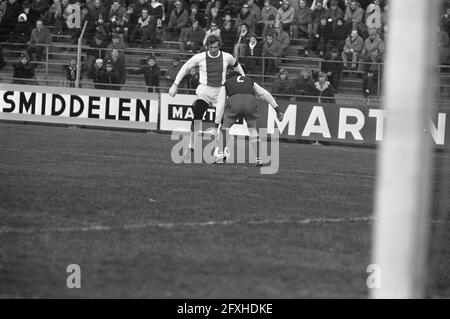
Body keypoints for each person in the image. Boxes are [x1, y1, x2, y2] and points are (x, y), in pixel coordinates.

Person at [168, 35, 245, 158]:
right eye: (211, 47)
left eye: (216, 47)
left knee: (224, 121)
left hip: (220, 91)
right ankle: (191, 146)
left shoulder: (226, 57)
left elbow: (236, 65)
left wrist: (243, 79)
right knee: (197, 115)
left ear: (219, 46)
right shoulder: (200, 57)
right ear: (207, 46)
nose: (214, 49)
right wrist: (175, 85)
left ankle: (221, 149)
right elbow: (185, 67)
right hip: (204, 90)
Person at [213, 72, 284, 166]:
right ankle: (259, 160)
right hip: (251, 101)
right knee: (252, 129)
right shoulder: (249, 81)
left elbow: (220, 105)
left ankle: (220, 157)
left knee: (225, 128)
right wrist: (277, 110)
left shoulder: (226, 83)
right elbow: (265, 94)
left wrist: (216, 124)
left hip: (235, 101)